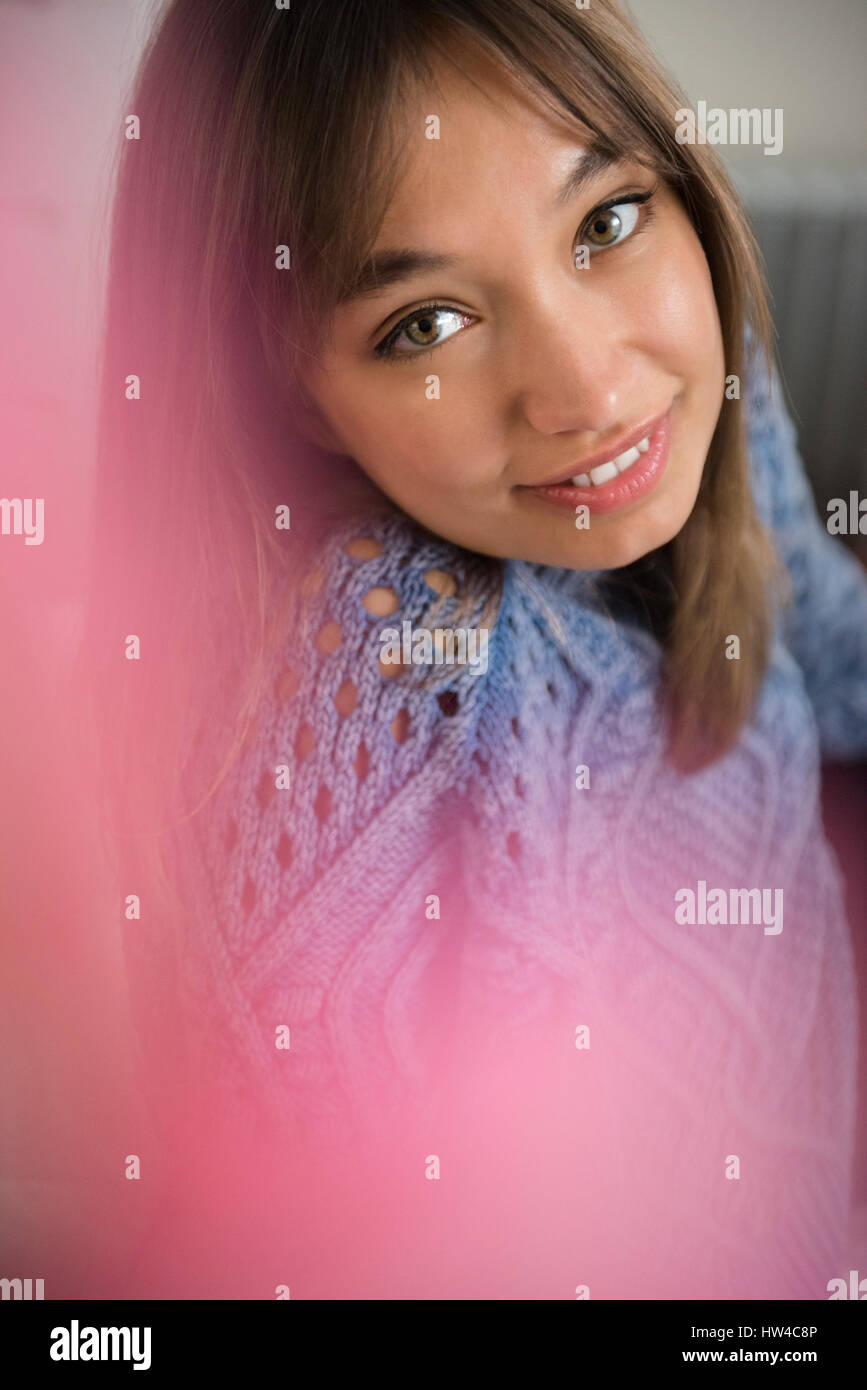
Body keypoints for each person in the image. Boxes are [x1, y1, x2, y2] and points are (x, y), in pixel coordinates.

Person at [83, 0, 867, 1298]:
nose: (587, 387)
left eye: (605, 221)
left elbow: (824, 635)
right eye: (425, 323)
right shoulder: (380, 676)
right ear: (283, 387)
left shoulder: (707, 388)